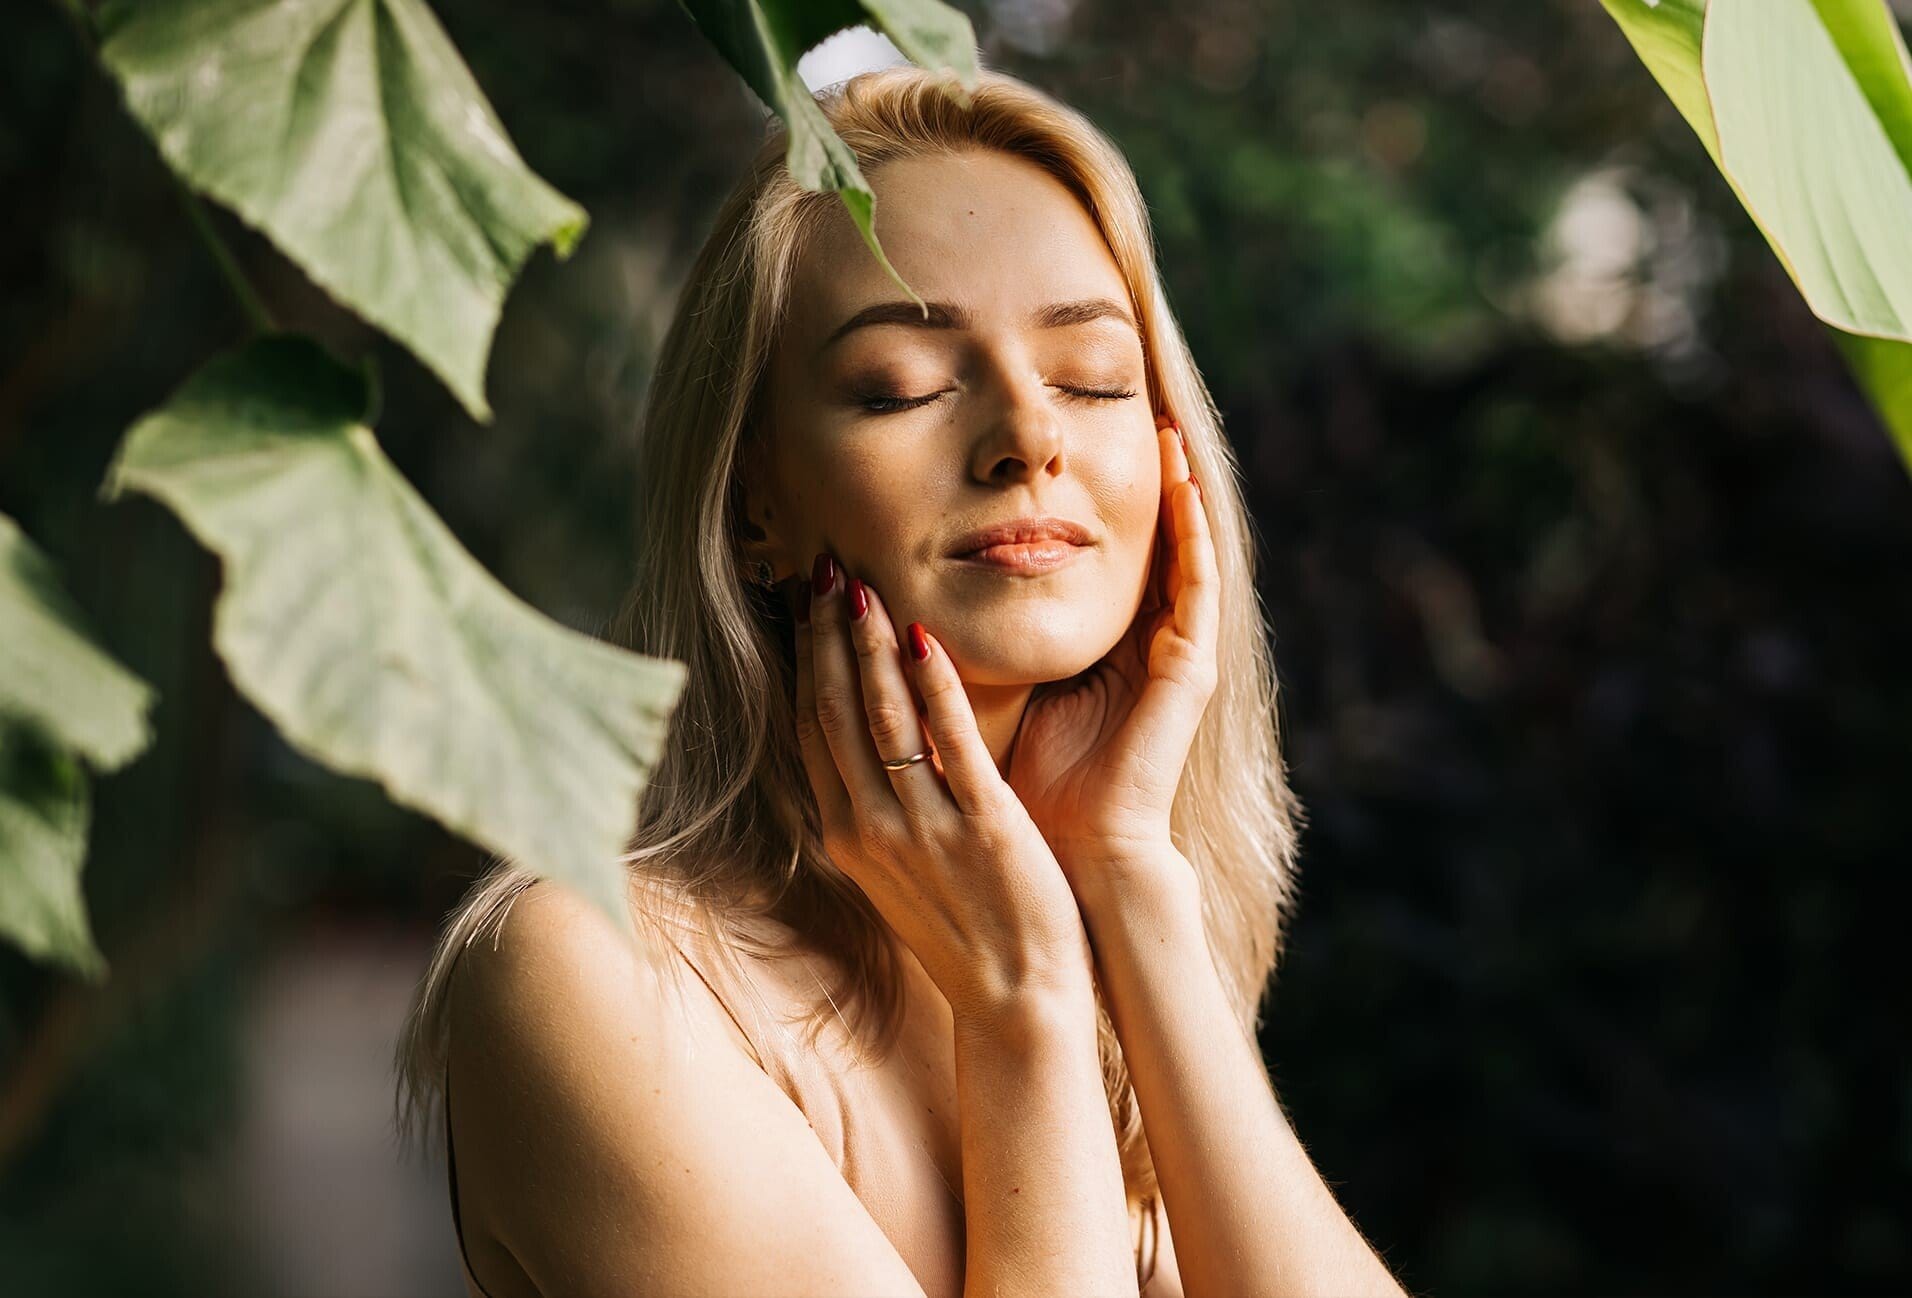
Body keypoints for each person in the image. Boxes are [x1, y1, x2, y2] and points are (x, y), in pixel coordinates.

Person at [394, 63, 1409, 1298]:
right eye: (903, 386)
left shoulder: (1118, 938)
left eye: (1093, 376)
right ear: (754, 501)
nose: (1028, 436)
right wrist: (1022, 1003)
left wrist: (1128, 876)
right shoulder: (593, 975)